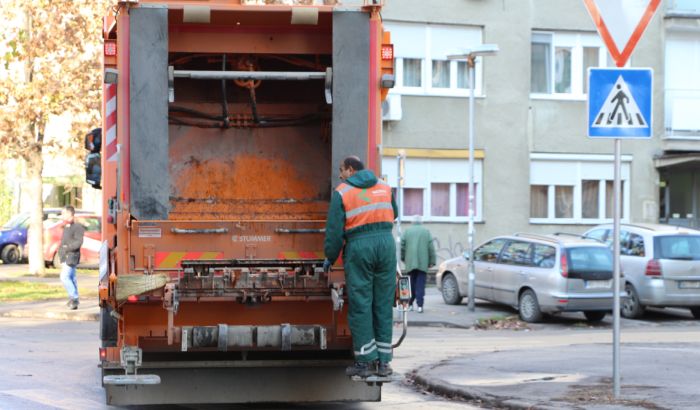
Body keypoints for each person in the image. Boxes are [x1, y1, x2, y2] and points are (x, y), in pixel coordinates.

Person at [324, 156, 398, 378]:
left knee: (361, 304)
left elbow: (334, 232)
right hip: (386, 246)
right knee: (383, 303)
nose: (340, 175)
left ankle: (366, 362)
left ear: (350, 169)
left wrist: (330, 256)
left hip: (360, 249)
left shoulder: (343, 192)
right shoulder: (385, 186)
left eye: (341, 170)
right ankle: (384, 363)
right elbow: (395, 213)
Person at [401, 215, 436, 313]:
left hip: (410, 262)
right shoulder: (426, 232)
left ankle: (410, 304)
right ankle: (420, 306)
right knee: (420, 284)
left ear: (412, 222)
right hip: (422, 262)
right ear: (421, 222)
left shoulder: (407, 232)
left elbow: (402, 246)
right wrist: (432, 261)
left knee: (411, 283)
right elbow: (431, 248)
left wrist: (403, 258)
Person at [59, 206, 85, 310]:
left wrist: (67, 248)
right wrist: (61, 253)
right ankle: (74, 300)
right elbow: (63, 242)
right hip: (66, 256)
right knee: (72, 278)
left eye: (64, 213)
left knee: (64, 277)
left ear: (70, 214)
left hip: (72, 256)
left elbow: (79, 242)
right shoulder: (66, 227)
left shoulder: (78, 227)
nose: (62, 215)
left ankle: (74, 297)